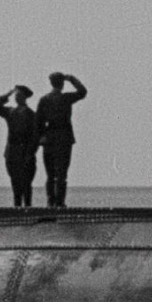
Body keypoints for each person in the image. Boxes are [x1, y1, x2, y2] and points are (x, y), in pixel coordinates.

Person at [35, 72, 87, 207]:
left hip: (49, 139)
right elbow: (82, 92)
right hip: (64, 138)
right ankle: (60, 202)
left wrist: (42, 138)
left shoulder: (44, 100)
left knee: (50, 174)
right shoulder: (65, 98)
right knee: (62, 174)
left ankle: (50, 201)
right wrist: (72, 79)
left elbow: (38, 122)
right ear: (62, 84)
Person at [0, 85, 38, 207]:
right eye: (16, 95)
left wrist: (30, 153)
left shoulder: (31, 114)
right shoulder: (10, 112)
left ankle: (27, 208)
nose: (16, 97)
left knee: (26, 184)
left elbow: (35, 137)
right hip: (12, 153)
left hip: (25, 153)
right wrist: (7, 94)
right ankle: (17, 208)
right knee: (15, 184)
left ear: (24, 97)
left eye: (19, 95)